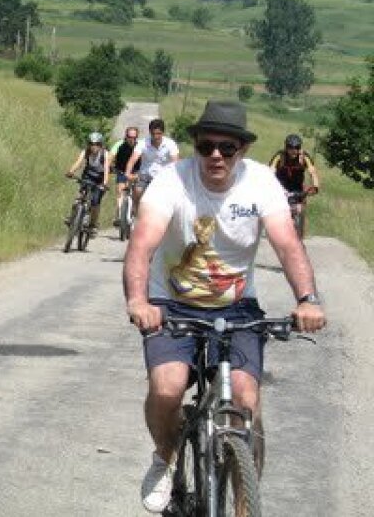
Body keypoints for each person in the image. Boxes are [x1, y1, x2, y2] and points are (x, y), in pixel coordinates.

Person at [123, 101, 326, 513]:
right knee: (167, 388)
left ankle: (244, 505)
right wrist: (138, 301)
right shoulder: (171, 182)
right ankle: (166, 454)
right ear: (196, 145)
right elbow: (142, 245)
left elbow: (288, 244)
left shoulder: (261, 183)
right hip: (172, 303)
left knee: (247, 405)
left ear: (242, 151)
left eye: (227, 148)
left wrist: (307, 299)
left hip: (237, 308)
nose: (216, 155)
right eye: (207, 146)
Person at [269, 133, 321, 235]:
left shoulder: (304, 157)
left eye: (297, 147)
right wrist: (269, 185)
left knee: (299, 209)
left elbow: (312, 172)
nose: (294, 150)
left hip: (297, 186)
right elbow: (270, 171)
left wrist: (315, 186)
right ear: (286, 147)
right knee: (278, 210)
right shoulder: (280, 156)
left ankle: (299, 234)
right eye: (290, 147)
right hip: (281, 186)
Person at [125, 118, 180, 209]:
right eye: (153, 134)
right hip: (145, 175)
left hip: (163, 177)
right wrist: (127, 173)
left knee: (168, 200)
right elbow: (133, 159)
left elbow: (176, 163)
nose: (156, 136)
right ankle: (136, 212)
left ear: (163, 133)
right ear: (150, 132)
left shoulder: (170, 144)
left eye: (158, 133)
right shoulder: (143, 143)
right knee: (138, 191)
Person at [65, 131, 108, 234]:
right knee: (80, 196)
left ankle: (93, 224)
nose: (94, 147)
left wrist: (105, 183)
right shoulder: (85, 152)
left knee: (95, 202)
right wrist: (71, 171)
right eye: (92, 144)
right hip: (88, 176)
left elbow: (106, 169)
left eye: (97, 144)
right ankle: (72, 217)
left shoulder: (105, 154)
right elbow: (78, 162)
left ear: (101, 145)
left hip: (99, 179)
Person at [108, 126, 140, 224]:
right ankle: (118, 216)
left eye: (134, 137)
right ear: (125, 136)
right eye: (129, 137)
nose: (132, 139)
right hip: (122, 171)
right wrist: (108, 167)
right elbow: (110, 157)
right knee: (120, 192)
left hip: (136, 172)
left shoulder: (140, 146)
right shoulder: (119, 144)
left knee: (137, 193)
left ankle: (136, 215)